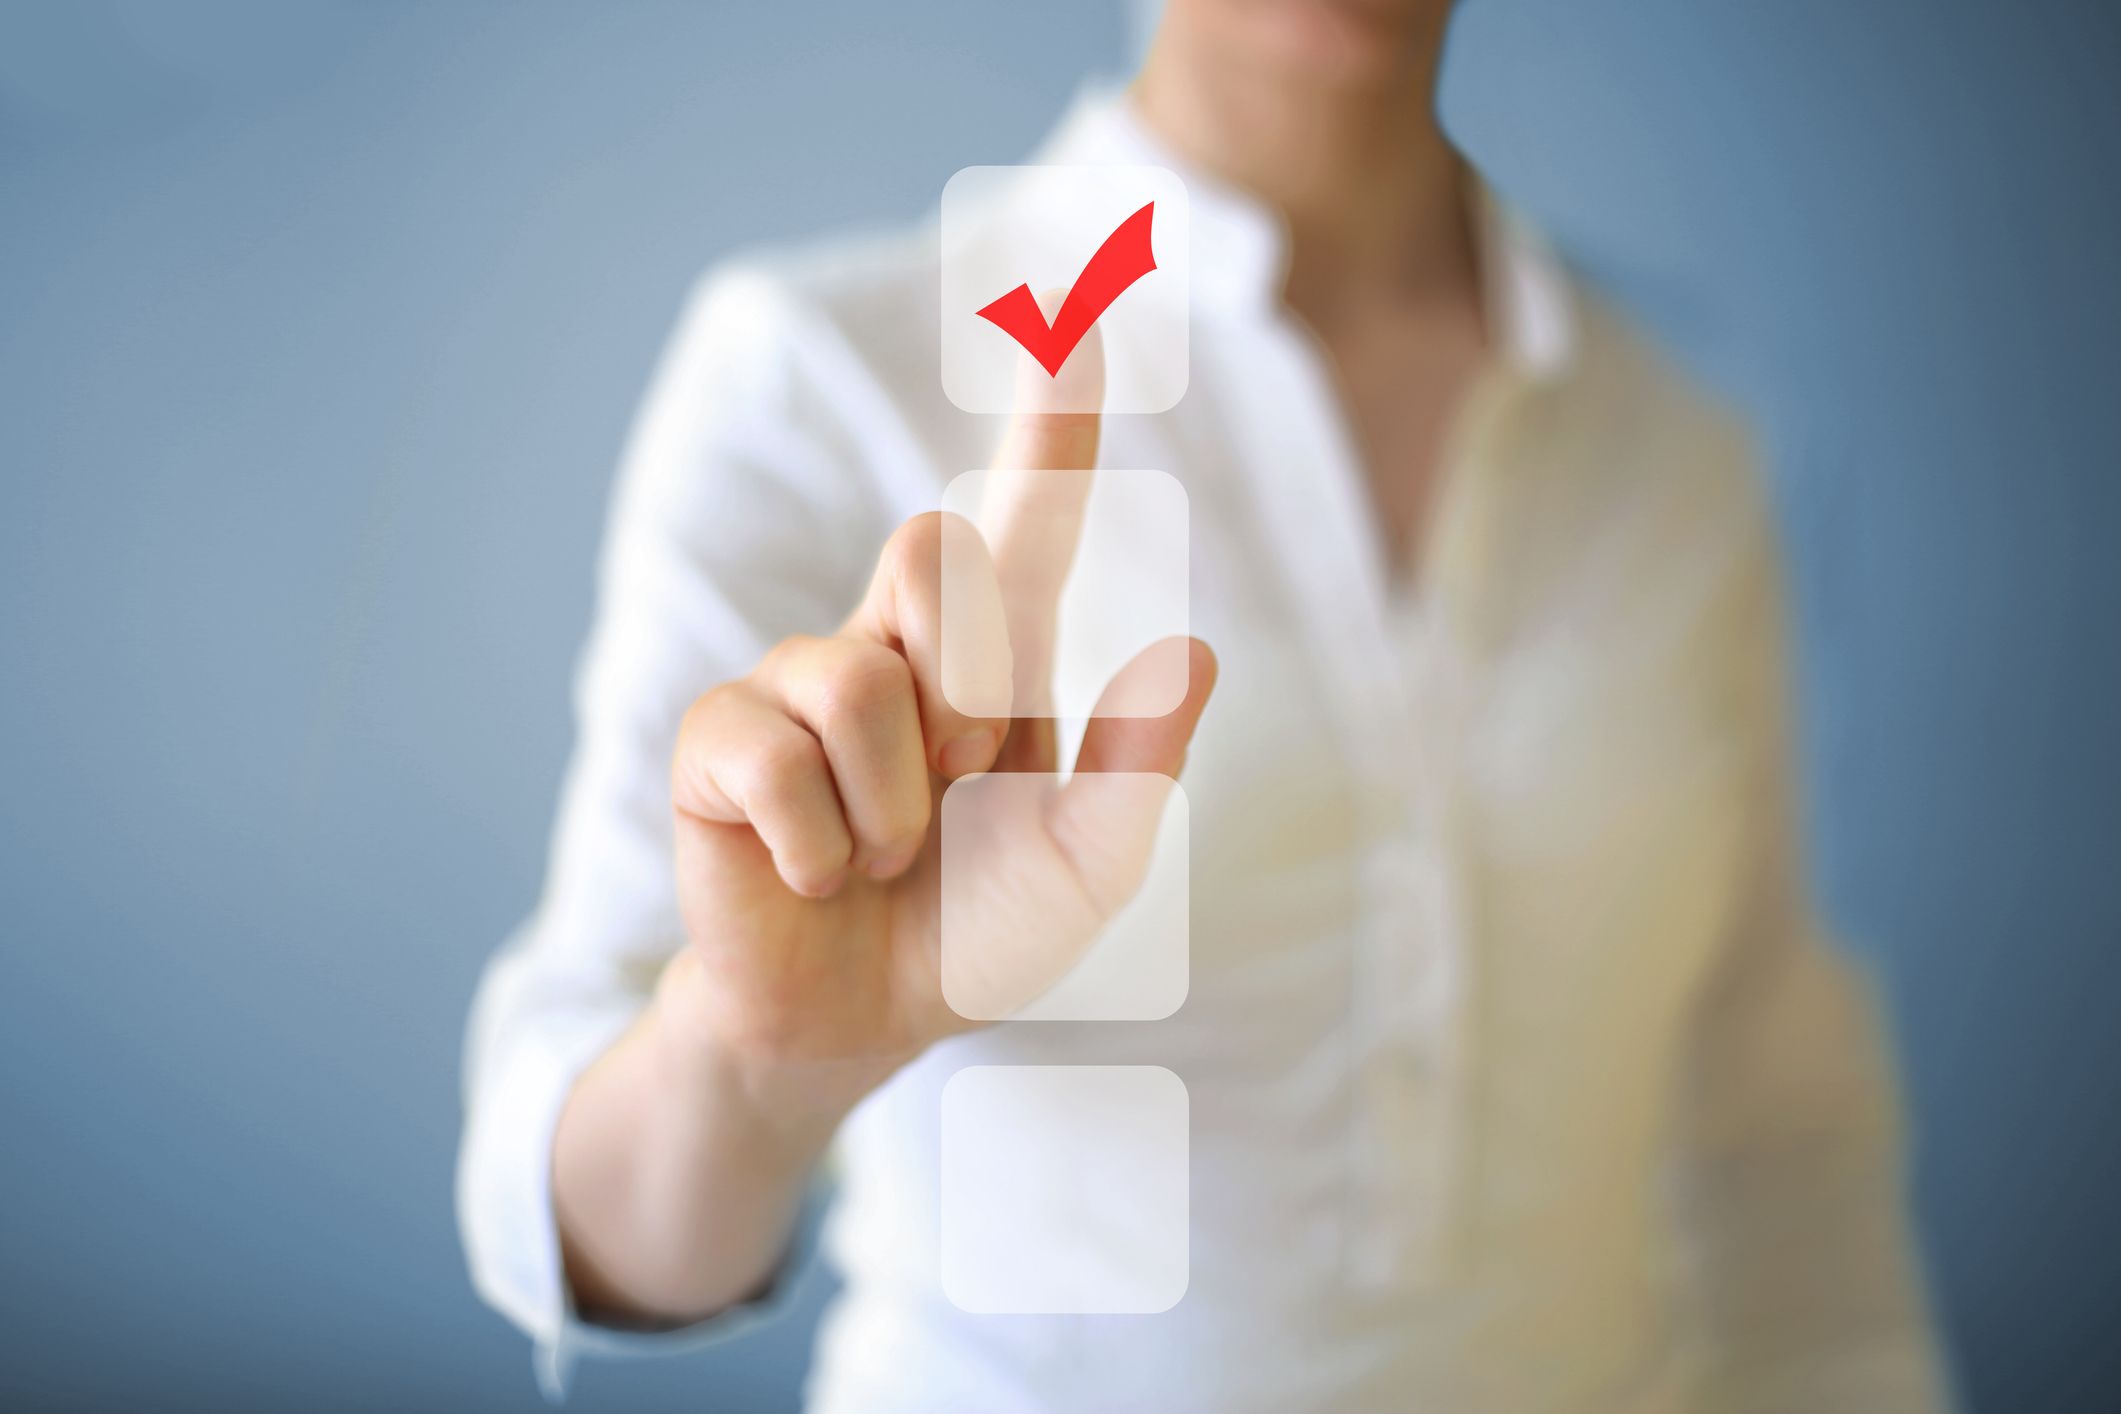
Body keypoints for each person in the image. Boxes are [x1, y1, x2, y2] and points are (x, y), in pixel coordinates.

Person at [458, 1, 1944, 1408]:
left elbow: (1778, 1154)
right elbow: (555, 1203)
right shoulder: (818, 371)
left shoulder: (1676, 442)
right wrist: (757, 1061)